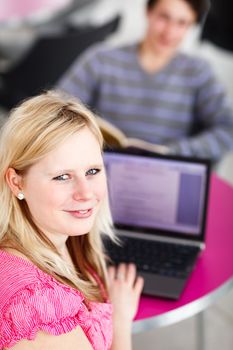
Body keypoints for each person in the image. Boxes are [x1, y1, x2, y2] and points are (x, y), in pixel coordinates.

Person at [0, 90, 144, 350]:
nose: (86, 193)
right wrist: (121, 324)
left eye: (92, 171)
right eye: (62, 177)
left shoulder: (64, 238)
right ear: (16, 182)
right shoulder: (36, 305)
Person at [57, 0, 233, 163]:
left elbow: (228, 129)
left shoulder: (198, 71)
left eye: (182, 23)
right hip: (101, 163)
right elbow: (57, 107)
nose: (169, 32)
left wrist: (174, 151)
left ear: (191, 26)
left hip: (165, 168)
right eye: (164, 17)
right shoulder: (102, 59)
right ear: (149, 12)